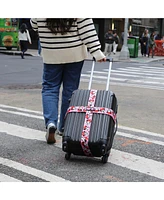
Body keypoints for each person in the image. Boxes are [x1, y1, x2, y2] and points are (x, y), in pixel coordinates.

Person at [30, 18, 106, 144]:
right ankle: (65, 126)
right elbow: (87, 30)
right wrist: (96, 52)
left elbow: (34, 25)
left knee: (50, 88)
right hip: (74, 54)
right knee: (70, 90)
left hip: (51, 54)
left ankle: (51, 123)